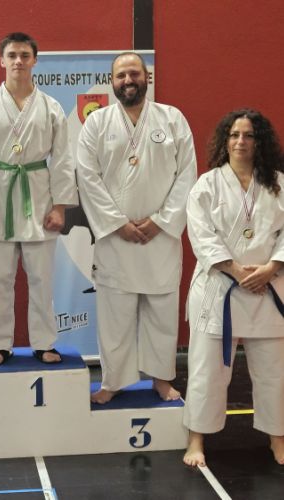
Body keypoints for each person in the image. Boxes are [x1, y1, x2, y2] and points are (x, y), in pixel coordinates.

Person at [76, 52, 197, 404]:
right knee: (114, 315)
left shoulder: (172, 119)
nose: (128, 80)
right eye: (121, 75)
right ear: (112, 82)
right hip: (116, 238)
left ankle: (161, 379)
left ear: (147, 78)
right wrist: (117, 224)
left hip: (160, 237)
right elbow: (88, 177)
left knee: (162, 313)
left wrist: (162, 220)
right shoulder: (96, 123)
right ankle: (113, 381)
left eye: (134, 74)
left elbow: (187, 174)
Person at [0, 32, 78, 365]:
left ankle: (44, 342)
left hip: (39, 200)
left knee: (42, 279)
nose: (18, 61)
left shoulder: (51, 107)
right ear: (1, 61)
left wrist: (59, 207)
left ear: (35, 60)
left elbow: (62, 159)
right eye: (12, 55)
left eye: (25, 55)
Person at [183, 109, 284, 467]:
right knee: (207, 371)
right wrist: (238, 271)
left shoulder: (279, 184)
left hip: (268, 288)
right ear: (225, 141)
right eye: (235, 135)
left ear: (259, 143)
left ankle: (277, 438)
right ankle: (196, 439)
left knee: (273, 372)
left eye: (249, 135)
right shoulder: (207, 185)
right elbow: (201, 235)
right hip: (219, 289)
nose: (241, 141)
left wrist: (271, 267)